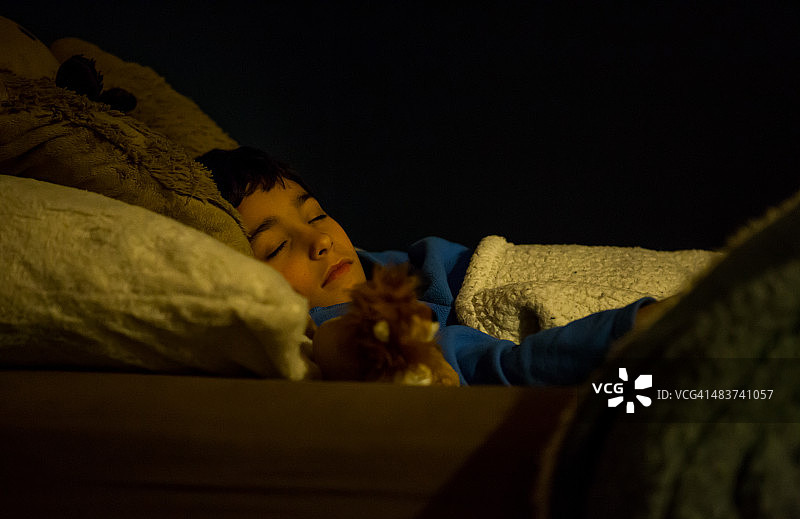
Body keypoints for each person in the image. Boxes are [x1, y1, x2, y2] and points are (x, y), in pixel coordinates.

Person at [197, 146, 660, 386]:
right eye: (277, 247)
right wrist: (636, 327)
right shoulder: (342, 329)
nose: (320, 240)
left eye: (316, 215)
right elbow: (494, 366)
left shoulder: (417, 263)